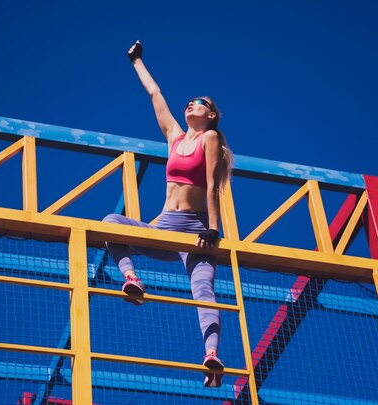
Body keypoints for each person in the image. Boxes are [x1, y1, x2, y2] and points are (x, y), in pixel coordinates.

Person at [102, 40, 233, 388]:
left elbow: (212, 187)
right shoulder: (175, 137)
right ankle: (131, 278)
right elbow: (155, 94)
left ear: (211, 115)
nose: (193, 103)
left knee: (203, 287)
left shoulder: (211, 138)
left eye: (201, 103)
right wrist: (136, 61)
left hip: (194, 229)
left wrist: (214, 230)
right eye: (191, 101)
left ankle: (212, 355)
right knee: (110, 223)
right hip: (163, 225)